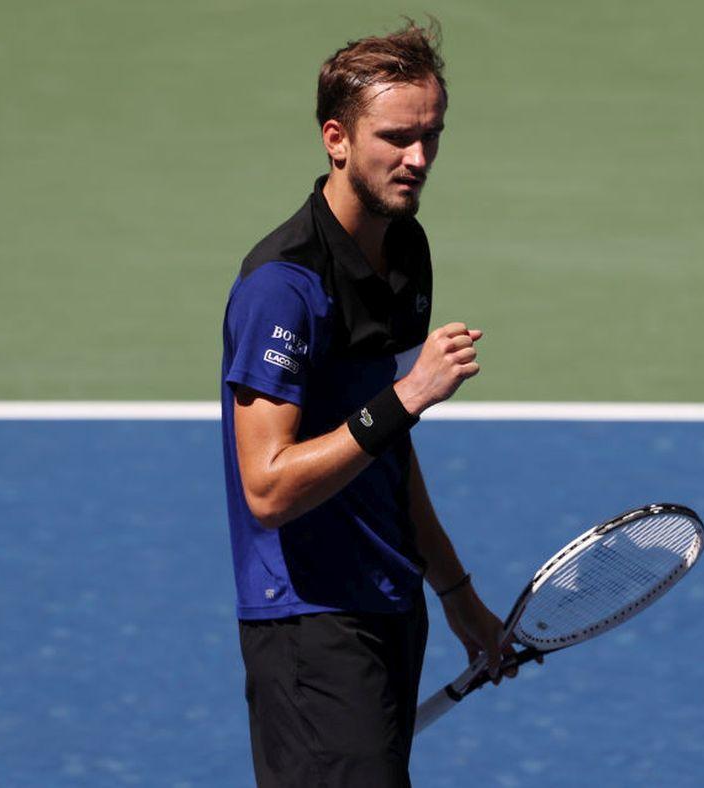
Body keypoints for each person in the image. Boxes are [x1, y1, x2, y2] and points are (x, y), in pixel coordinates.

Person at [219, 21, 514, 786]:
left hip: (389, 602)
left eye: (431, 136)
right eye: (395, 137)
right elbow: (268, 487)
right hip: (310, 624)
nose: (418, 159)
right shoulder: (281, 289)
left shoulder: (404, 249)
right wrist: (408, 392)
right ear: (336, 139)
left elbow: (384, 451)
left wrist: (455, 594)